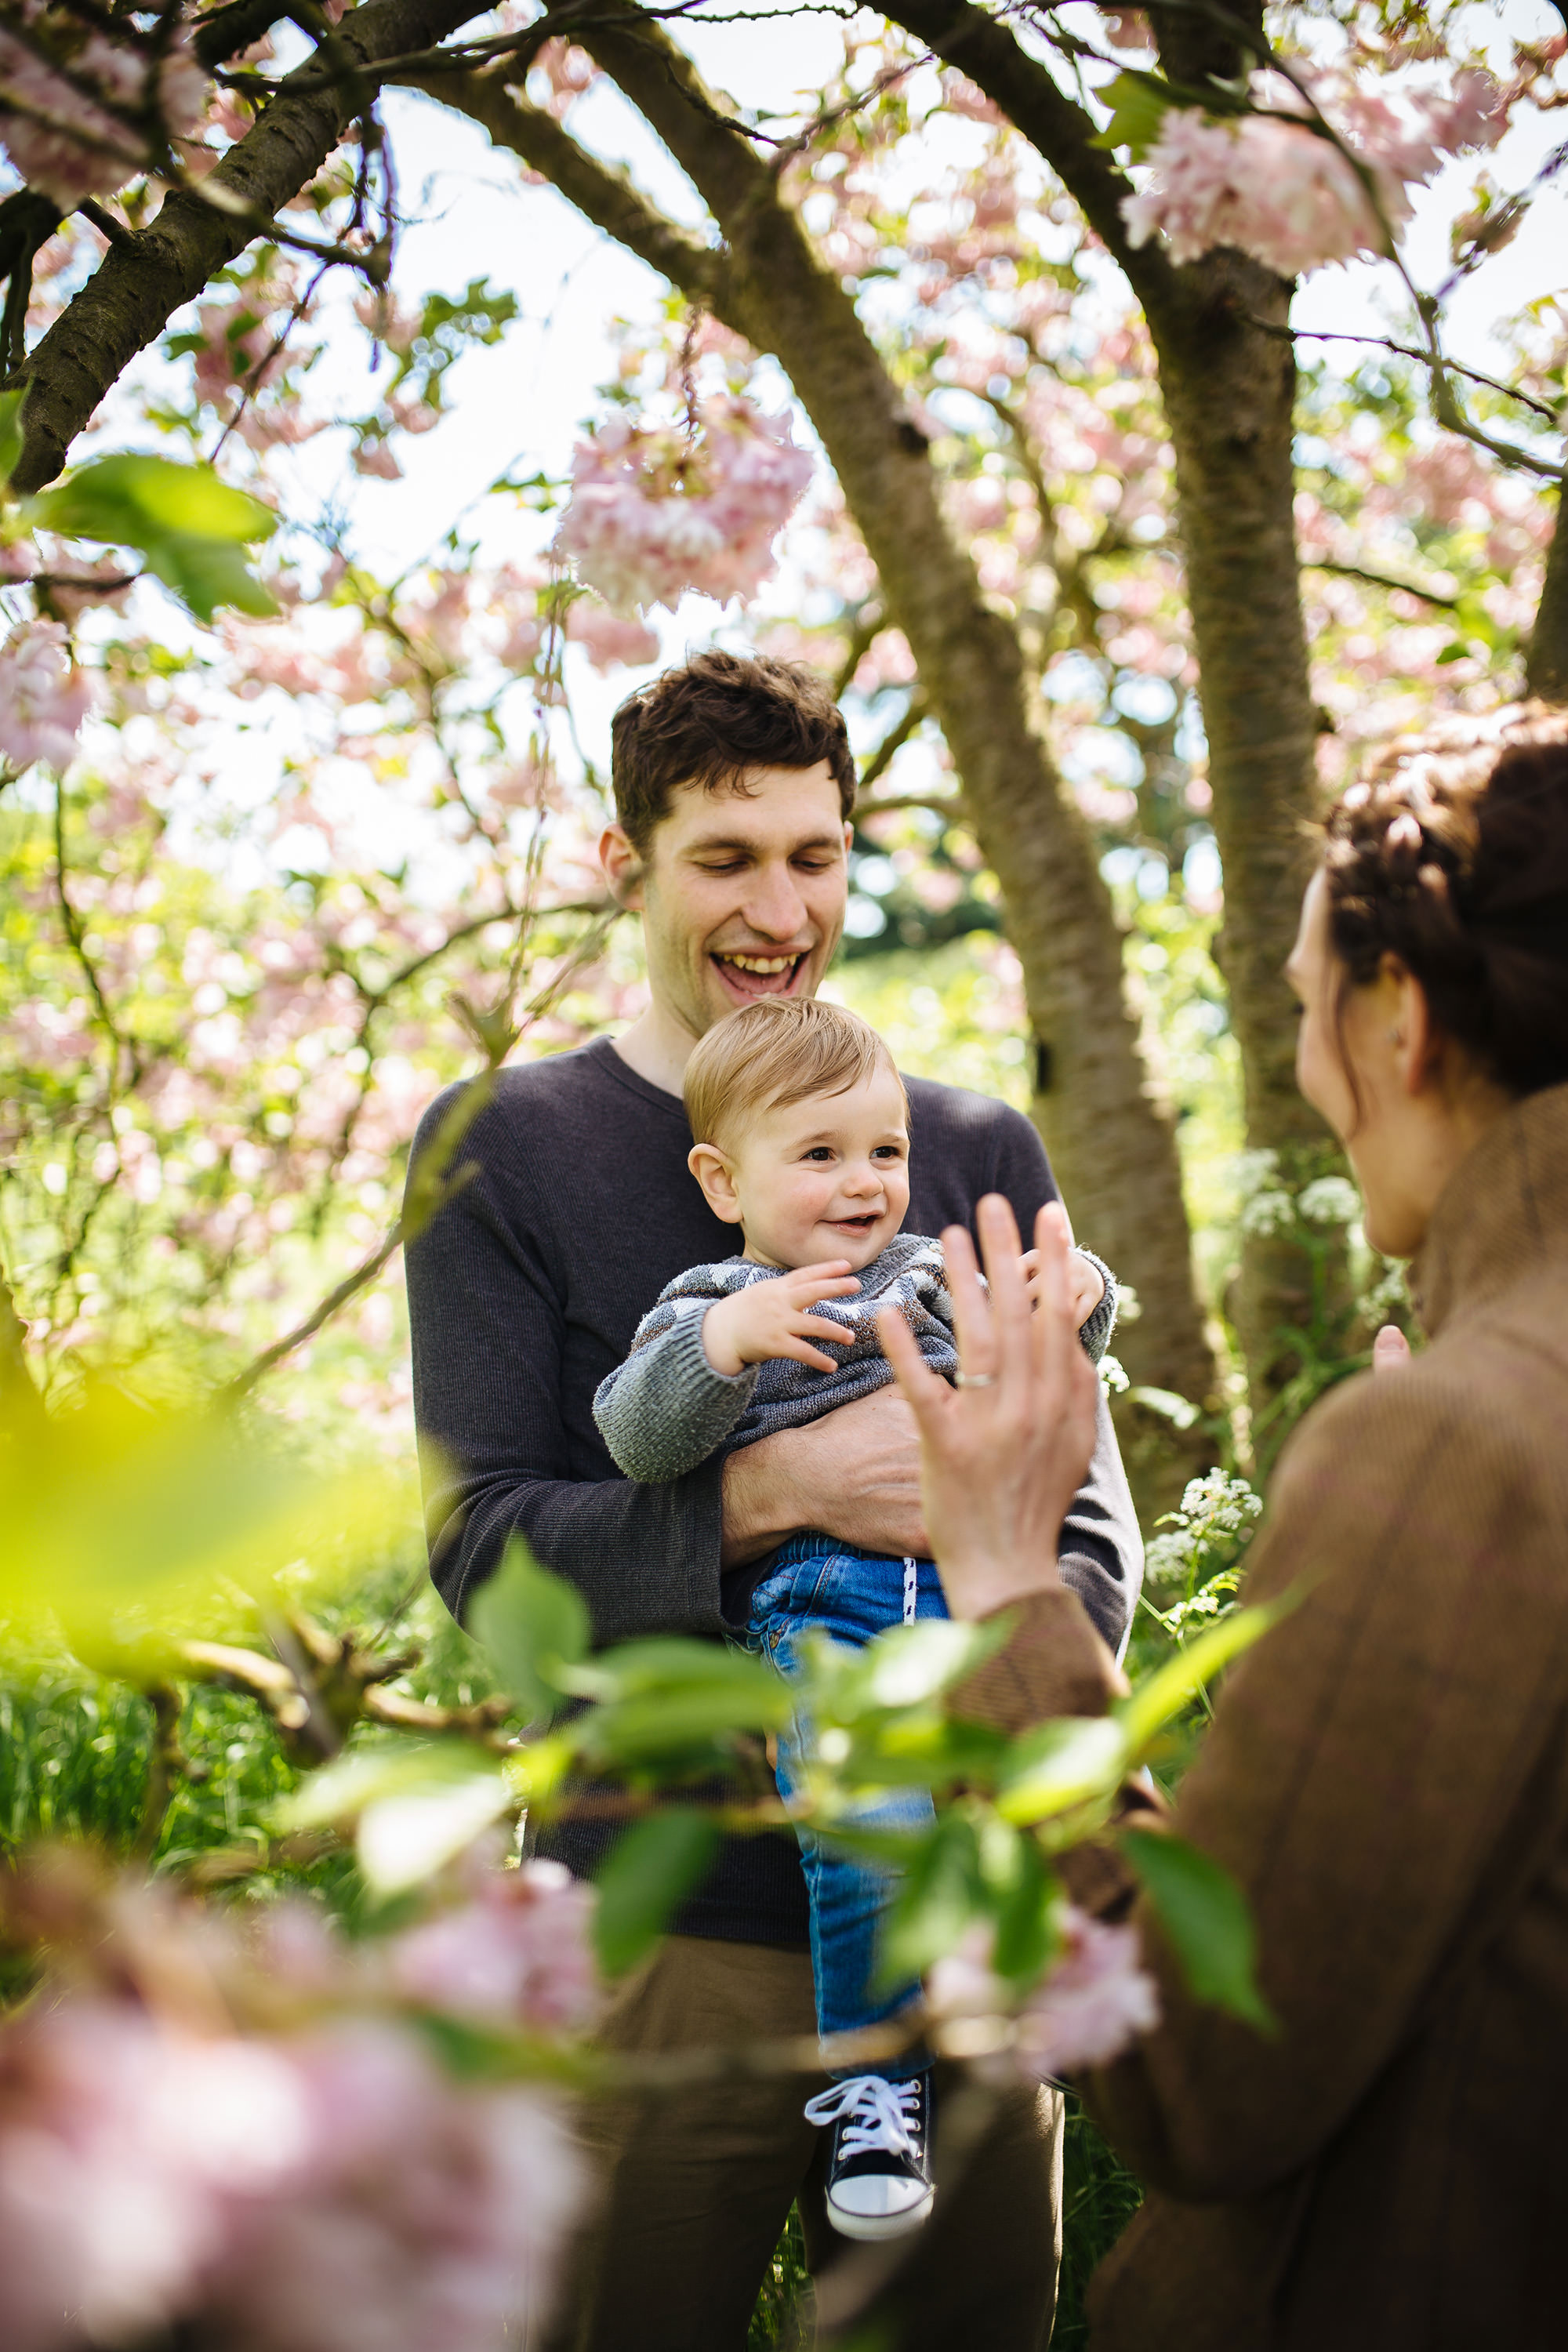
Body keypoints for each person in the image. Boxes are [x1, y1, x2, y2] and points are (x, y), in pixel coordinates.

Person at [405, 648, 1143, 2351]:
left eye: (814, 856)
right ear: (625, 866)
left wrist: (971, 1632)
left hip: (955, 1914)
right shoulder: (503, 1145)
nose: (778, 907)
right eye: (724, 860)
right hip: (659, 1936)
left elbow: (1087, 1543)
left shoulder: (965, 1149)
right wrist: (776, 1487)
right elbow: (485, 1548)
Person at [877, 707, 1568, 2352]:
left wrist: (999, 1579)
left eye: (1303, 1009)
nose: (1305, 1071)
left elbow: (1196, 2076)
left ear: (1400, 1018)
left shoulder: (1459, 1441)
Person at [592, 995, 1117, 2243]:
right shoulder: (709, 1298)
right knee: (867, 1821)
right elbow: (634, 1436)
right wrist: (724, 1344)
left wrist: (1080, 1289)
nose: (862, 1182)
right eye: (818, 1155)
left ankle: (1090, 2025)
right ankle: (873, 2081)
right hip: (822, 1625)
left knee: (1038, 1807)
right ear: (723, 1180)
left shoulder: (929, 1270)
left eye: (883, 1151)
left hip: (970, 1618)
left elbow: (1051, 1343)